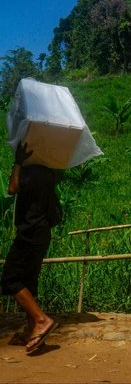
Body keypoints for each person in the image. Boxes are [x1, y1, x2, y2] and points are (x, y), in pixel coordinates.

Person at [1, 142, 61, 354]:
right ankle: (32, 330)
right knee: (29, 280)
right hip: (42, 232)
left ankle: (41, 320)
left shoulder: (30, 171)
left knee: (10, 278)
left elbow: (12, 188)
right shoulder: (49, 171)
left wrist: (18, 161)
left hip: (29, 232)